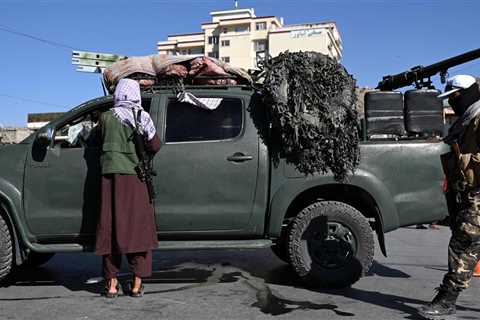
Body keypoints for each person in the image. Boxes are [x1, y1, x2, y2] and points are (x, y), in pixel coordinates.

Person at [419, 75, 480, 319]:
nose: (452, 103)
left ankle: (447, 299)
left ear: (464, 93)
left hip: (478, 195)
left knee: (463, 245)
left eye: (454, 97)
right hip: (466, 195)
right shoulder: (465, 120)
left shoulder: (477, 118)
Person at [95, 78, 161, 298]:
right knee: (138, 229)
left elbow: (94, 142)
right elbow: (155, 145)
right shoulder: (142, 117)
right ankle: (136, 285)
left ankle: (112, 285)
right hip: (136, 180)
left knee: (111, 227)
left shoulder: (105, 118)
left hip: (110, 182)